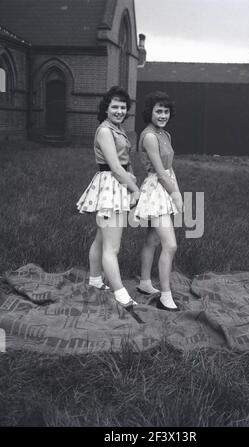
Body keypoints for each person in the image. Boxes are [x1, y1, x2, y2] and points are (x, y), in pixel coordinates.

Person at [77, 86, 140, 307]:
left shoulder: (118, 129)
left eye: (123, 107)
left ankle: (95, 280)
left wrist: (130, 178)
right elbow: (114, 166)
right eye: (115, 106)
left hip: (117, 183)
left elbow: (125, 161)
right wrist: (135, 189)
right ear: (106, 108)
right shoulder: (105, 131)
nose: (119, 110)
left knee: (101, 238)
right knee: (112, 247)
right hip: (111, 185)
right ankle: (120, 293)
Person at [135, 91, 183, 311]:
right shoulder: (150, 136)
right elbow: (161, 173)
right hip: (156, 189)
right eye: (158, 111)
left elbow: (170, 168)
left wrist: (176, 189)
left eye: (166, 111)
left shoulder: (166, 134)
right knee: (170, 245)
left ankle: (145, 283)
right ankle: (165, 296)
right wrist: (176, 195)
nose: (163, 115)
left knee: (152, 239)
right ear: (150, 112)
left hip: (166, 186)